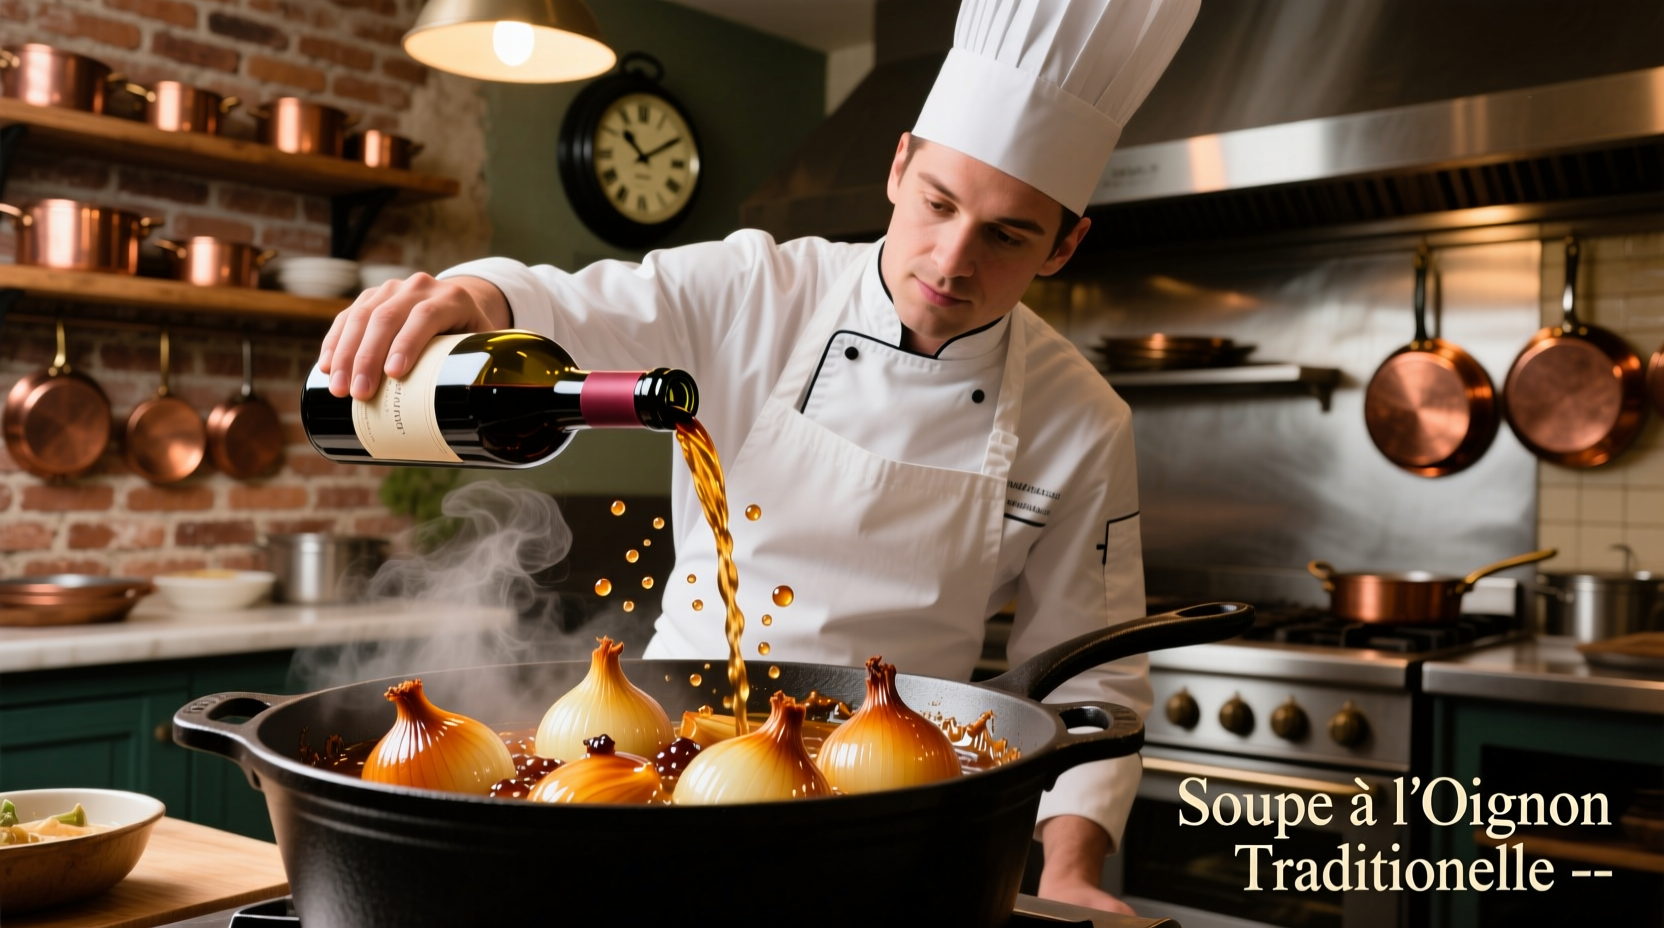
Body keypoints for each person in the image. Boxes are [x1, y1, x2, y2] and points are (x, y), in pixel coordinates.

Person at [317, 0, 1199, 914]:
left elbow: (1089, 669)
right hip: (665, 764)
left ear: (1066, 242)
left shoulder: (1083, 419)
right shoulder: (757, 288)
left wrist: (1070, 870)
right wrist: (469, 297)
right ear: (899, 167)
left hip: (897, 802)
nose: (951, 258)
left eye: (1008, 235)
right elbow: (578, 305)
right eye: (938, 204)